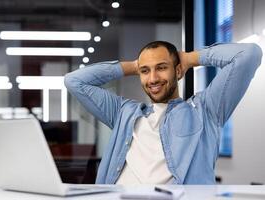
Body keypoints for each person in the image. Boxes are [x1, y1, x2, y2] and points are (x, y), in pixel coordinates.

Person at [64, 42, 262, 185]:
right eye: (145, 71)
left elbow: (248, 54)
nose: (153, 78)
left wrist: (188, 58)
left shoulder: (205, 110)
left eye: (161, 68)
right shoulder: (122, 112)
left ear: (177, 71)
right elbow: (74, 81)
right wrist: (134, 66)